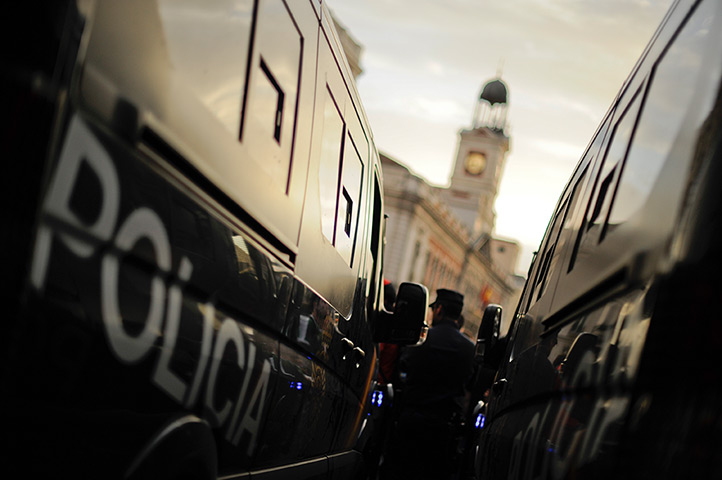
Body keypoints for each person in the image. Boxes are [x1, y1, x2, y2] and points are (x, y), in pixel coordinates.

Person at [382, 288, 475, 480]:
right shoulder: (469, 349)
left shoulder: (422, 339)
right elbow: (469, 387)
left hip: (412, 423)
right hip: (443, 431)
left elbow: (402, 371)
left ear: (439, 309)